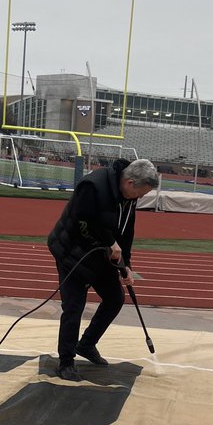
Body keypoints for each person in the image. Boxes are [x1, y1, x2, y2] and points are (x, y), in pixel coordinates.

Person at [47, 157, 158, 381]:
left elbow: (126, 232)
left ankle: (86, 344)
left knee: (115, 297)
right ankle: (65, 362)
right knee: (74, 306)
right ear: (129, 183)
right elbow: (82, 222)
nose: (141, 198)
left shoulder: (129, 197)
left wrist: (126, 265)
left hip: (99, 253)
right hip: (71, 251)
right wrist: (109, 242)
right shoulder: (92, 186)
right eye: (141, 194)